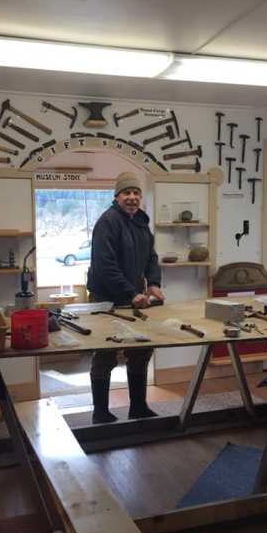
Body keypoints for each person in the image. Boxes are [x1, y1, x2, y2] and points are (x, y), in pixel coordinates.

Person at [87, 171, 165, 423]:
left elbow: (151, 257)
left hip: (134, 296)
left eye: (135, 193)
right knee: (106, 353)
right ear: (117, 196)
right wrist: (131, 293)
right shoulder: (107, 222)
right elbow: (105, 265)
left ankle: (138, 407)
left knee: (140, 350)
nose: (131, 197)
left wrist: (153, 283)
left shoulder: (141, 222)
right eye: (126, 193)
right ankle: (100, 413)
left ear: (140, 197)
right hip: (106, 298)